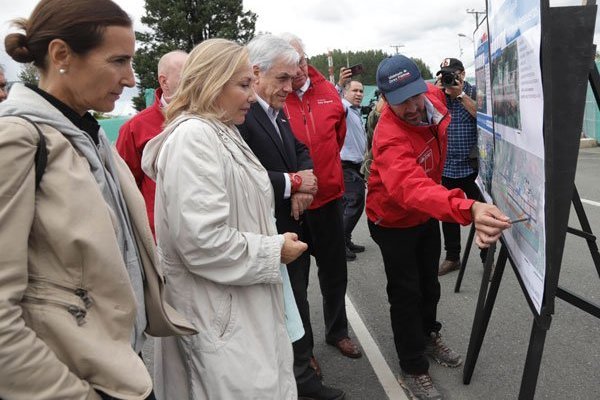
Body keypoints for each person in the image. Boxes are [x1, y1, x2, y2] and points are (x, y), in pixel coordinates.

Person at [0, 1, 195, 399]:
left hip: (118, 366)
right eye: (118, 61)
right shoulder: (18, 141)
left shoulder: (88, 133)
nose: (130, 79)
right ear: (61, 55)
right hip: (75, 379)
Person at [141, 38, 307, 400]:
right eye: (244, 85)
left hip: (234, 306)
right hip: (219, 316)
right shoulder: (195, 138)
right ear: (212, 82)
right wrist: (273, 249)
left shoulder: (221, 130)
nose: (253, 95)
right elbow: (201, 241)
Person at [366, 55, 511, 400]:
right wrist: (469, 206)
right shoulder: (389, 138)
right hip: (392, 221)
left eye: (416, 95)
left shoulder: (433, 96)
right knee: (405, 293)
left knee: (429, 284)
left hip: (424, 214)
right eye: (402, 102)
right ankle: (413, 365)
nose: (414, 107)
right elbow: (413, 190)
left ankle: (428, 335)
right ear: (386, 100)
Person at [237, 34, 345, 400]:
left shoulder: (273, 109)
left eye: (294, 75)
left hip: (291, 225)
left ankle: (304, 372)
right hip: (267, 233)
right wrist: (294, 183)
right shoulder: (244, 114)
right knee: (289, 304)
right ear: (256, 72)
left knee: (297, 300)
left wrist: (303, 185)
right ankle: (304, 380)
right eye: (283, 78)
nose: (291, 84)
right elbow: (241, 176)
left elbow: (300, 148)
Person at [281, 33, 362, 362]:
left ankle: (338, 332)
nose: (297, 70)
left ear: (306, 58)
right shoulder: (276, 94)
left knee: (334, 273)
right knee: (296, 281)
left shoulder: (329, 91)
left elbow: (338, 137)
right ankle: (304, 349)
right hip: (293, 206)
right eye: (289, 65)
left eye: (300, 61)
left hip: (328, 200)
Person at [116, 50, 188, 236]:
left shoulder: (208, 119)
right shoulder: (135, 128)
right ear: (164, 82)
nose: (194, 83)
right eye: (186, 77)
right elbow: (125, 185)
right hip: (160, 236)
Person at [435, 57, 487, 276]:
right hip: (446, 167)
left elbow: (483, 117)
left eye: (452, 74)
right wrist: (436, 92)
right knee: (448, 213)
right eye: (444, 74)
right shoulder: (438, 96)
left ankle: (487, 259)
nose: (448, 78)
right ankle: (452, 257)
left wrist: (461, 95)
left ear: (462, 74)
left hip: (471, 166)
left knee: (482, 214)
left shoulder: (476, 92)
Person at [339, 78, 368, 260]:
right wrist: (338, 84)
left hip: (356, 165)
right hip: (345, 164)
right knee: (354, 202)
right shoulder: (342, 108)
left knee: (351, 204)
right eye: (354, 91)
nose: (359, 94)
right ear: (345, 93)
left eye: (361, 91)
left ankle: (345, 239)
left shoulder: (355, 111)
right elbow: (332, 101)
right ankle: (339, 243)